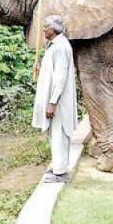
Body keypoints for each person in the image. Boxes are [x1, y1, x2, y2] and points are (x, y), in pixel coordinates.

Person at [32, 15, 78, 183]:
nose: (43, 30)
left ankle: (60, 172)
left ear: (52, 30)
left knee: (59, 133)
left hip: (58, 101)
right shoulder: (54, 46)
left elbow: (60, 77)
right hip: (56, 100)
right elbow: (52, 72)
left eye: (45, 27)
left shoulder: (60, 47)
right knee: (55, 133)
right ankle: (59, 166)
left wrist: (52, 102)